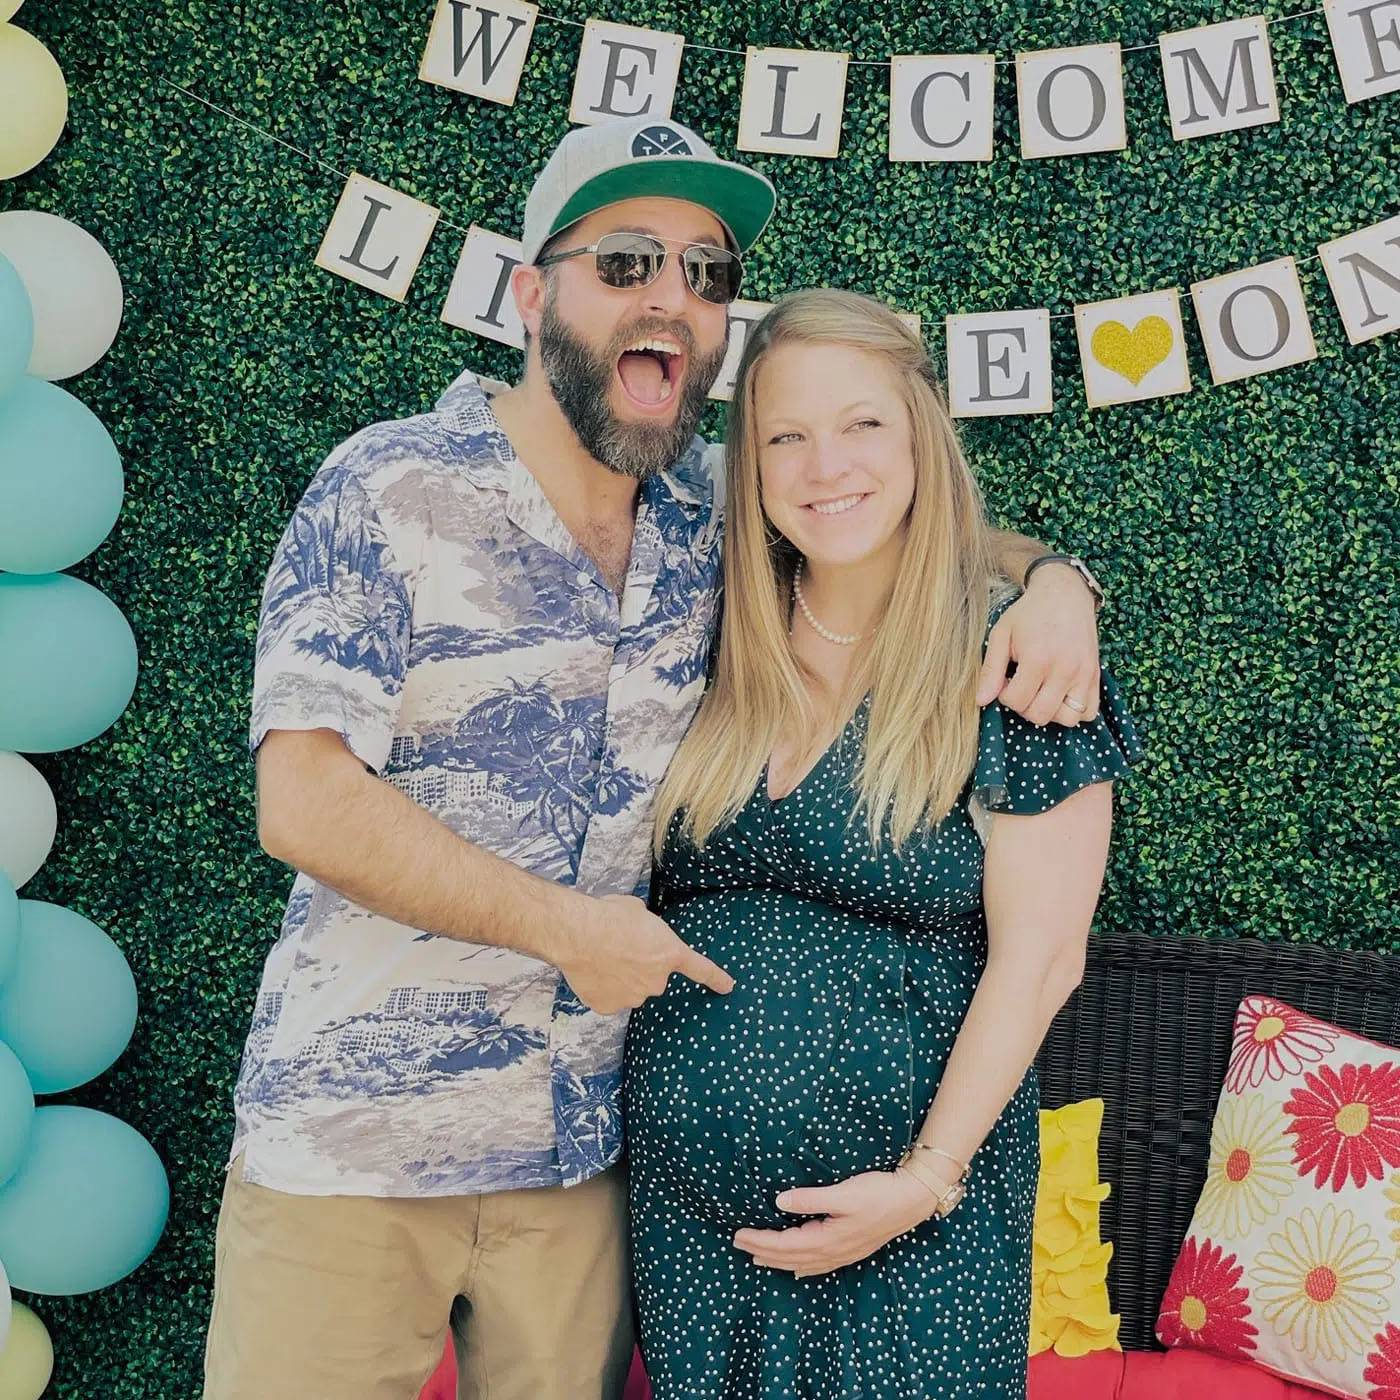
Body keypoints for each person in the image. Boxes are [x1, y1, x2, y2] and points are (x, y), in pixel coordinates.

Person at [202, 114, 1108, 1400]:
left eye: (705, 273)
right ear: (530, 293)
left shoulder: (709, 523)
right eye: (624, 262)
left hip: (578, 1163)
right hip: (358, 1145)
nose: (670, 299)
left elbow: (879, 498)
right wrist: (568, 926)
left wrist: (1054, 581)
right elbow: (301, 799)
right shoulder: (387, 487)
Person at [625, 287, 1145, 1399]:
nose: (826, 466)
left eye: (860, 423)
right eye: (786, 436)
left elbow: (1040, 956)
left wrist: (924, 1179)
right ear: (747, 464)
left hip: (912, 1235)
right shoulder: (708, 629)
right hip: (692, 1236)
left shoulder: (1009, 655)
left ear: (919, 434)